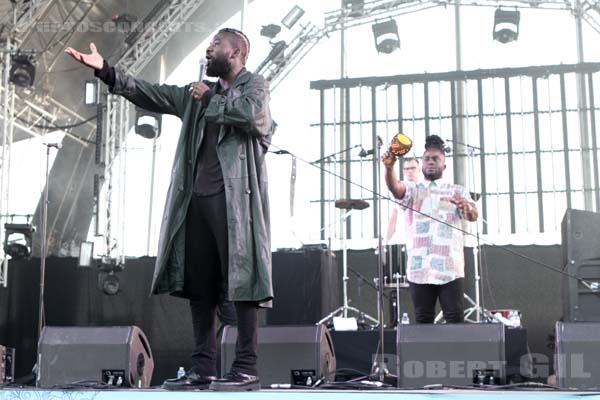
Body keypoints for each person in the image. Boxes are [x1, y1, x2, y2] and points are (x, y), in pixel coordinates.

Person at [66, 27, 274, 391]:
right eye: (208, 45)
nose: (208, 50)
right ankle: (204, 368)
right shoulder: (193, 97)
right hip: (195, 203)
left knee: (243, 285)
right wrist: (107, 71)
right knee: (201, 289)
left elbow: (253, 117)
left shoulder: (253, 85)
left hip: (235, 204)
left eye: (216, 45)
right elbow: (150, 93)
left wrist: (211, 99)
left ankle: (246, 367)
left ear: (237, 51)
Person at [381, 135, 477, 324]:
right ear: (421, 164)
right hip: (419, 266)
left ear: (444, 165)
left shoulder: (457, 190)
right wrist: (389, 166)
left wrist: (466, 206)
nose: (431, 162)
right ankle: (425, 355)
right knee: (423, 320)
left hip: (450, 268)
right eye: (427, 159)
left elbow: (472, 215)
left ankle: (455, 355)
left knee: (455, 319)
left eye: (436, 159)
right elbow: (394, 187)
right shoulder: (412, 189)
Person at [384, 157, 420, 244]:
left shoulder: (426, 188)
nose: (410, 171)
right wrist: (386, 241)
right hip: (404, 238)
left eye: (413, 168)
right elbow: (394, 215)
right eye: (407, 169)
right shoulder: (399, 188)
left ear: (419, 170)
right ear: (403, 171)